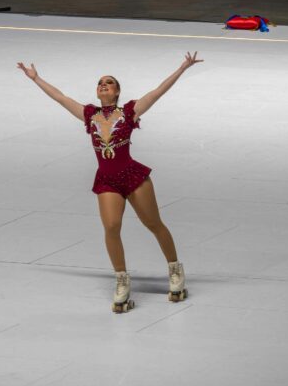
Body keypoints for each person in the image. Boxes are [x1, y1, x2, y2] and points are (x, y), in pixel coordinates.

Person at [17, 53, 203, 313]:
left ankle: (175, 269)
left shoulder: (130, 112)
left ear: (117, 91)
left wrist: (182, 68)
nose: (103, 84)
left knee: (153, 224)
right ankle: (122, 280)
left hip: (133, 176)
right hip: (107, 180)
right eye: (100, 82)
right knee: (111, 226)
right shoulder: (89, 114)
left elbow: (158, 91)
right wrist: (36, 79)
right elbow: (60, 97)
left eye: (109, 82)